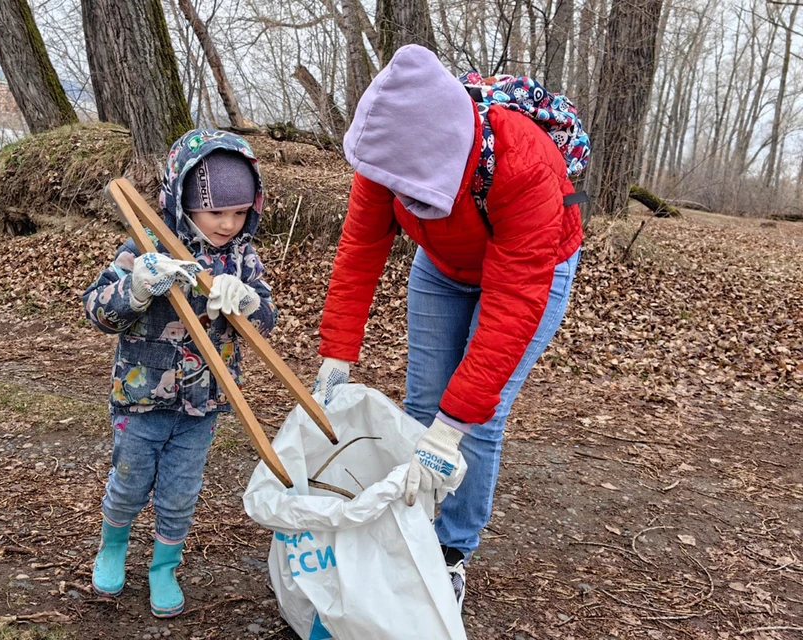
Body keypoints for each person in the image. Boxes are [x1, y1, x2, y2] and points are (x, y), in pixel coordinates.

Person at [312, 45, 590, 609]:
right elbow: (360, 250)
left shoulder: (525, 164)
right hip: (442, 267)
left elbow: (512, 308)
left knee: (472, 422)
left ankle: (450, 554)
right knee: (422, 406)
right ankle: (410, 532)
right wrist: (337, 353)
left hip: (531, 267)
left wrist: (452, 426)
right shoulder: (387, 157)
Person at [82, 129, 277, 618]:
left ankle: (163, 566)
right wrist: (137, 287)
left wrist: (249, 301)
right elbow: (98, 312)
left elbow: (266, 320)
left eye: (239, 212)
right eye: (216, 212)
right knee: (128, 483)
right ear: (184, 199)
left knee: (179, 494)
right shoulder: (144, 245)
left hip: (203, 405)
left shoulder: (241, 256)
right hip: (140, 399)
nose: (229, 224)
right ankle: (112, 547)